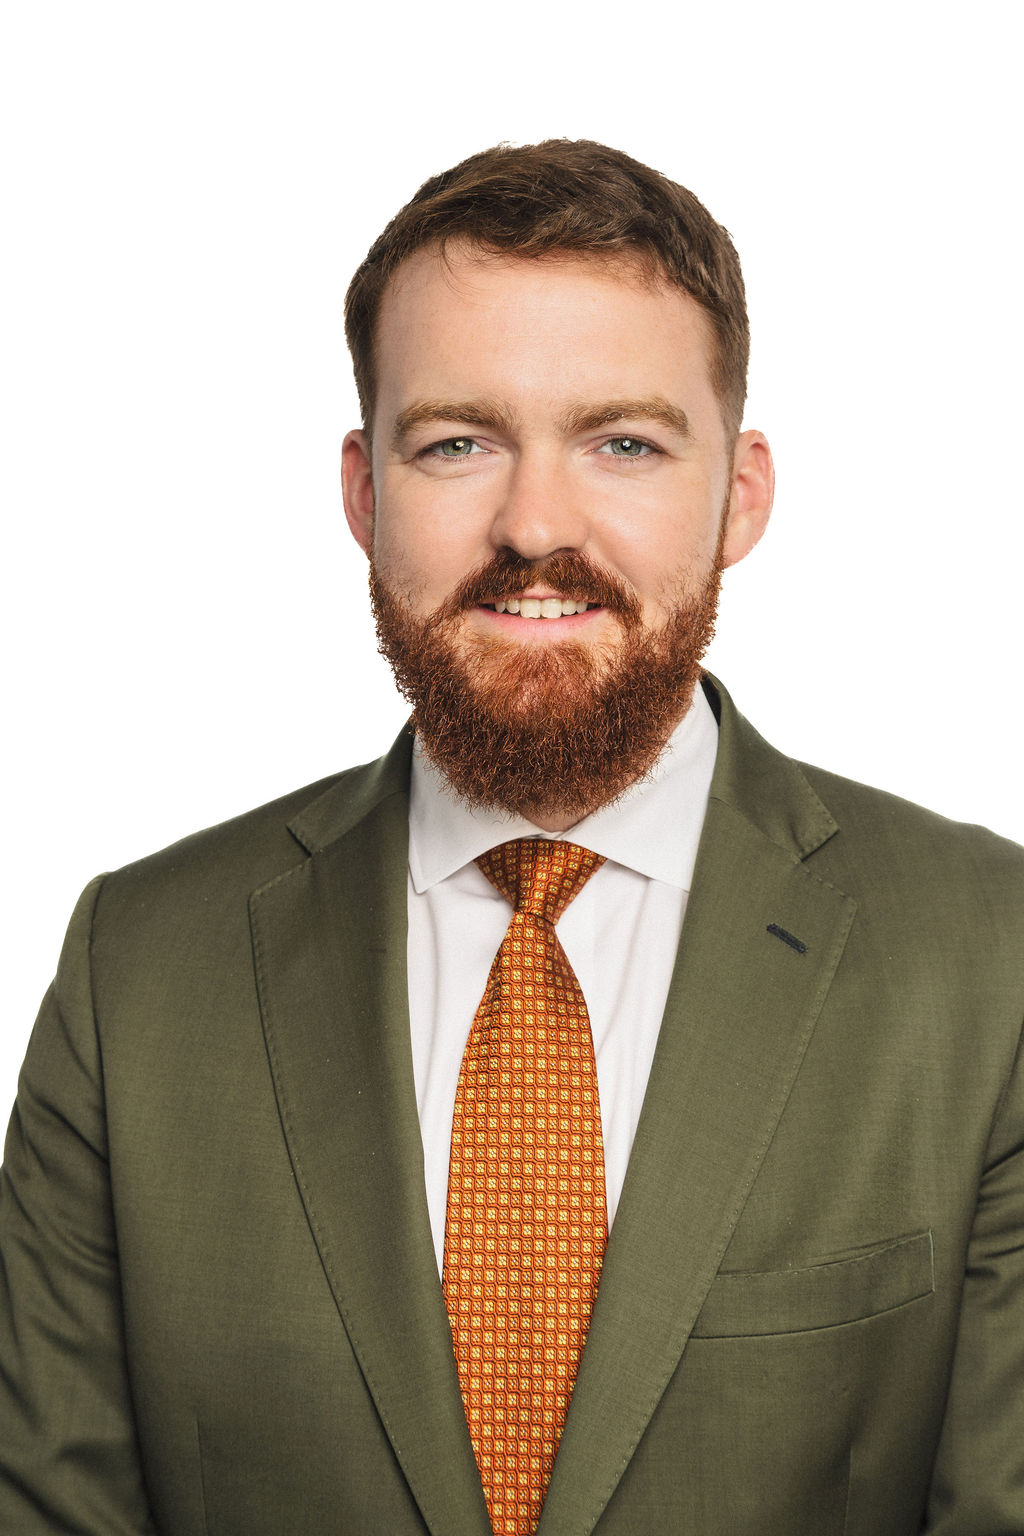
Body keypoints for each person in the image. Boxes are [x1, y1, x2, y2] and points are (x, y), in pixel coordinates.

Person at [1, 139, 1022, 1536]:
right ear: (363, 492)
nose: (535, 524)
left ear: (741, 495)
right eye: (458, 443)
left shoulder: (988, 959)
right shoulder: (138, 974)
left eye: (624, 443)